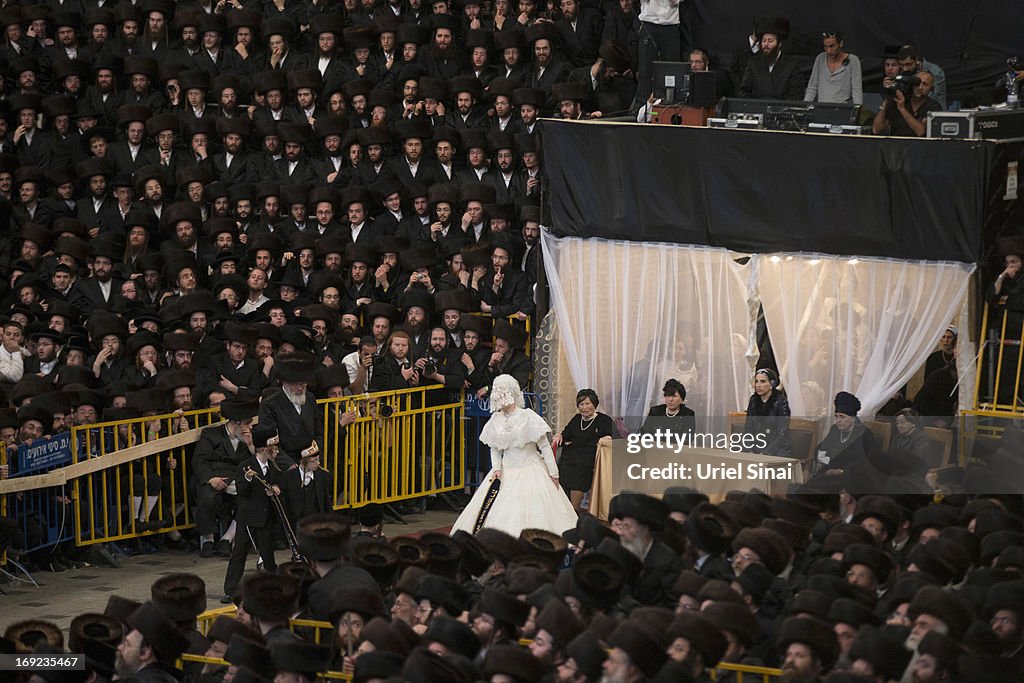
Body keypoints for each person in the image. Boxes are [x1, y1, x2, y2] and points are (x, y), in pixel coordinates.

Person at [450, 374, 578, 538]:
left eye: (503, 392)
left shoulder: (527, 416)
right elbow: (494, 448)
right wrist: (496, 468)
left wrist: (554, 473)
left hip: (532, 468)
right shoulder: (495, 419)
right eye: (497, 393)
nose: (500, 397)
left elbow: (544, 446)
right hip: (506, 470)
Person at [551, 389, 615, 511]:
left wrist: (606, 438)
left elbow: (612, 436)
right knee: (563, 469)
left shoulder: (604, 420)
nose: (584, 407)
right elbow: (566, 434)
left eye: (587, 403)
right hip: (570, 455)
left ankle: (574, 512)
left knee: (578, 474)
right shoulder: (577, 419)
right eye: (581, 404)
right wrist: (560, 435)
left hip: (589, 458)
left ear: (594, 404)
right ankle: (563, 511)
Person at [806, 391, 877, 487]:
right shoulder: (835, 429)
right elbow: (820, 449)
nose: (838, 420)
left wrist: (841, 471)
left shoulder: (864, 434)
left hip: (852, 478)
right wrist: (825, 459)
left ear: (853, 419)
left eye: (842, 417)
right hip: (829, 473)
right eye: (836, 416)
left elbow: (866, 463)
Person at [738, 16, 804, 101]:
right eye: (764, 41)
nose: (766, 44)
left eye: (770, 41)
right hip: (757, 109)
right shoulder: (753, 63)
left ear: (779, 44)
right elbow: (744, 92)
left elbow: (796, 95)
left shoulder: (792, 65)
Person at [871, 69, 939, 137]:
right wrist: (886, 101)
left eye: (925, 84)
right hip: (897, 145)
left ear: (931, 88)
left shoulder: (934, 106)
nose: (920, 87)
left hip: (919, 145)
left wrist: (902, 109)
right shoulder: (898, 101)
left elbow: (921, 132)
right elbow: (876, 130)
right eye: (917, 84)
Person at [742, 368, 792, 457]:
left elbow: (782, 434)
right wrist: (749, 449)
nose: (758, 385)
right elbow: (748, 428)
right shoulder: (753, 400)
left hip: (777, 449)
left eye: (763, 381)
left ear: (771, 384)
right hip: (757, 446)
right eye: (756, 381)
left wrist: (765, 453)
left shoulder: (780, 402)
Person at [803, 31, 862, 105]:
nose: (829, 51)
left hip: (842, 109)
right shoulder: (820, 58)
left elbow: (857, 91)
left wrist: (857, 111)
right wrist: (804, 107)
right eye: (825, 47)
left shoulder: (853, 60)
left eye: (832, 46)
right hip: (822, 108)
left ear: (840, 44)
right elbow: (812, 88)